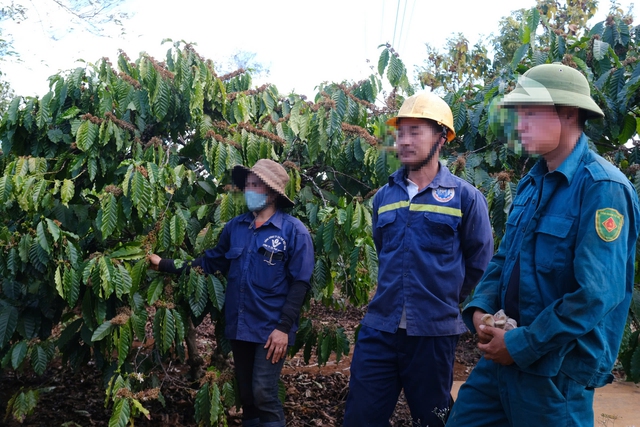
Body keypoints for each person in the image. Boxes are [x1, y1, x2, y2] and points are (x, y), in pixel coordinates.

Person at [446, 63, 640, 427]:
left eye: (529, 113)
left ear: (568, 112)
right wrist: (480, 308)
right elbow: (505, 257)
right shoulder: (531, 183)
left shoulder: (602, 188)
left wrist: (522, 345)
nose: (518, 125)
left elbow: (597, 293)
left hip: (555, 372)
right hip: (502, 361)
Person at [343, 92, 494, 427]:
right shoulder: (384, 196)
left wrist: (444, 302)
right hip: (380, 327)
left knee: (433, 419)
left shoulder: (466, 198)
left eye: (415, 132)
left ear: (441, 138)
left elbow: (481, 265)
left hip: (433, 334)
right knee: (359, 417)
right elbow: (384, 250)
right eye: (401, 133)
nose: (405, 141)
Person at [149, 159, 314, 427]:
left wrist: (283, 328)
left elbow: (300, 283)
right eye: (247, 185)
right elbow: (210, 262)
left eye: (255, 186)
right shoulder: (236, 228)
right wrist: (166, 265)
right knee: (247, 394)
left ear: (271, 192)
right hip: (241, 325)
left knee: (264, 392)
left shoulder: (293, 231)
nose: (248, 190)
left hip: (272, 328)